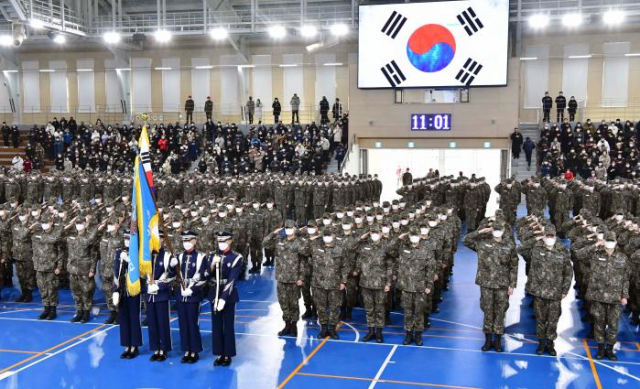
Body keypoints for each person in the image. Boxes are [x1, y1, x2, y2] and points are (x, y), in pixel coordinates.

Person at [462, 223, 517, 352]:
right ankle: (487, 340)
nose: (497, 232)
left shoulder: (509, 245)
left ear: (503, 230)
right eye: (495, 230)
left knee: (500, 311)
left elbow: (514, 266)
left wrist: (512, 284)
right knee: (487, 310)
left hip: (502, 284)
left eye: (499, 230)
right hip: (486, 283)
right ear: (492, 231)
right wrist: (481, 232)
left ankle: (497, 341)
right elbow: (466, 240)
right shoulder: (482, 243)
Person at [520, 226, 572, 356]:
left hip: (555, 293)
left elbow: (568, 273)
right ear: (544, 237)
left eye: (551, 236)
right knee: (540, 319)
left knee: (553, 319)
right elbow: (520, 249)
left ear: (555, 237)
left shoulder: (562, 251)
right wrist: (535, 238)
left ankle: (550, 343)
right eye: (547, 236)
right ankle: (541, 343)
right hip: (539, 292)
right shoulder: (536, 249)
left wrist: (565, 290)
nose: (549, 239)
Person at [580, 231, 629, 361]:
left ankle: (610, 349)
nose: (610, 243)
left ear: (616, 242)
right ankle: (601, 348)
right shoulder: (595, 255)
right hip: (598, 296)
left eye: (612, 240)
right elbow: (579, 254)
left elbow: (625, 278)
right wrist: (595, 244)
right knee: (599, 324)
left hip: (615, 298)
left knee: (613, 325)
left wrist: (624, 295)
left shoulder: (622, 257)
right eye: (607, 240)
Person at [263, 220, 306, 337]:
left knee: (294, 304)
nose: (288, 230)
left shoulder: (300, 243)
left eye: (290, 227)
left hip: (294, 279)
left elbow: (303, 261)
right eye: (286, 228)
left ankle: (294, 326)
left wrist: (301, 278)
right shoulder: (279, 241)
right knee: (283, 303)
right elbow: (265, 243)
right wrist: (273, 233)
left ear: (295, 229)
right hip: (281, 278)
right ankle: (287, 325)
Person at [303, 226, 347, 339]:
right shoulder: (315, 246)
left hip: (334, 283)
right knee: (320, 307)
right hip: (318, 283)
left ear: (333, 236)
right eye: (324, 235)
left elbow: (345, 266)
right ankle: (323, 329)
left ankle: (332, 329)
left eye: (329, 235)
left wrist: (343, 281)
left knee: (334, 307)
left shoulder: (341, 248)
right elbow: (303, 251)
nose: (326, 237)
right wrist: (311, 239)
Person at [210, 232, 243, 366]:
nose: (221, 243)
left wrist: (223, 298)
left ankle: (227, 354)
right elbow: (206, 274)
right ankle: (219, 353)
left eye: (224, 240)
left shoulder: (236, 257)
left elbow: (232, 279)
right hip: (214, 294)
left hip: (228, 296)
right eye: (219, 241)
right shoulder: (213, 255)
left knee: (228, 325)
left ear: (230, 241)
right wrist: (212, 265)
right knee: (216, 325)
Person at [354, 224, 391, 343]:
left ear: (381, 233)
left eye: (376, 232)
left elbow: (390, 266)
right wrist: (362, 237)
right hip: (366, 283)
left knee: (380, 309)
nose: (374, 234)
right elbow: (351, 247)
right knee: (369, 309)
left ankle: (379, 333)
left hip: (380, 284)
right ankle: (370, 331)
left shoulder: (386, 246)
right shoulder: (364, 246)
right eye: (372, 232)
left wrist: (388, 283)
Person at [176, 230, 208, 364]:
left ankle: (194, 350)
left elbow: (203, 276)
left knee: (192, 322)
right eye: (184, 240)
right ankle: (186, 349)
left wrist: (192, 289)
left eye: (189, 240)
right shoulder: (178, 256)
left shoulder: (201, 257)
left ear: (195, 241)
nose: (186, 243)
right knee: (183, 323)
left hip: (193, 295)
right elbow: (175, 274)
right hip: (181, 294)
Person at [145, 232, 177, 362]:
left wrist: (160, 286)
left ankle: (164, 348)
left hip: (161, 294)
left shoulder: (167, 256)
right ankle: (155, 348)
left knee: (162, 323)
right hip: (149, 294)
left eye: (159, 239)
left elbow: (172, 276)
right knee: (152, 323)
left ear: (163, 240)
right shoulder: (146, 256)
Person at [112, 229, 142, 359]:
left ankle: (134, 346)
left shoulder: (139, 253)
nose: (127, 241)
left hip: (133, 290)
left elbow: (141, 271)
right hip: (122, 289)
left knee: (134, 318)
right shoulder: (119, 252)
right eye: (125, 238)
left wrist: (130, 261)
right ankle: (126, 346)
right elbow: (116, 272)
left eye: (129, 238)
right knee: (123, 319)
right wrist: (115, 290)